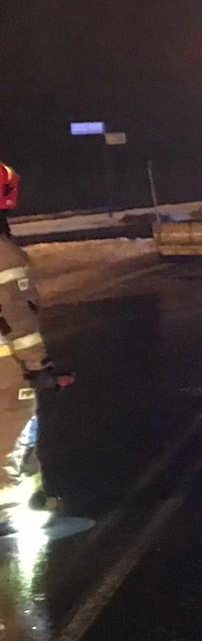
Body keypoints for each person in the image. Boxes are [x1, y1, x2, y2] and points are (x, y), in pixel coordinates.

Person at [0, 163, 69, 537]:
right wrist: (38, 367)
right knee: (13, 434)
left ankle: (28, 498)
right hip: (5, 371)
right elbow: (18, 322)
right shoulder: (4, 256)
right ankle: (9, 510)